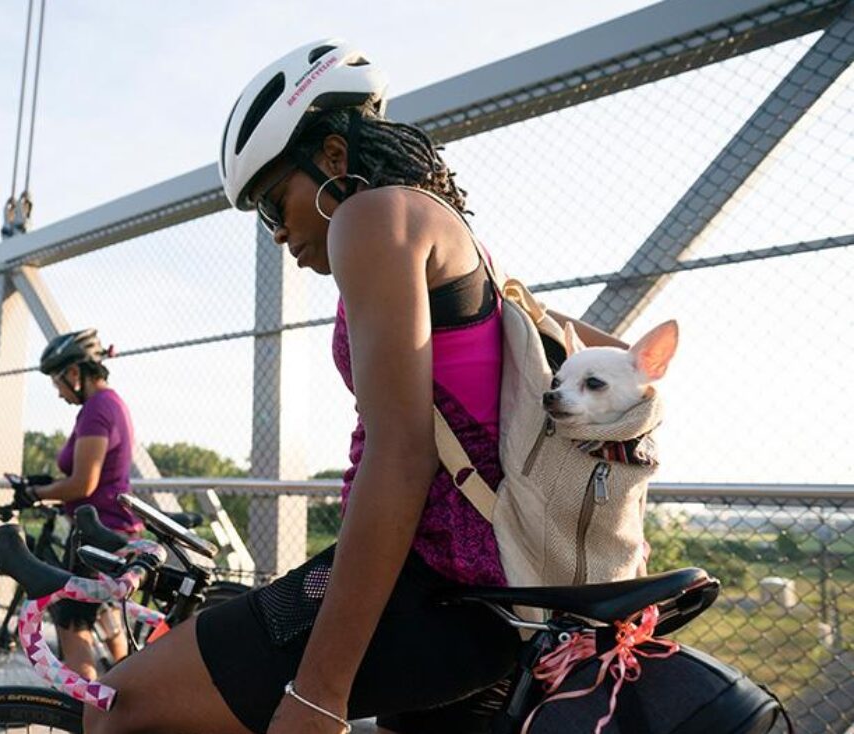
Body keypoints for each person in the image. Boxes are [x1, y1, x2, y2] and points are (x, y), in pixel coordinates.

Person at [82, 40, 626, 734]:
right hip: (493, 598)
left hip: (433, 588)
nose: (276, 233)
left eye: (274, 203)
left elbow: (400, 456)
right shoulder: (455, 239)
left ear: (334, 158)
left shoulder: (370, 218)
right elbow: (620, 358)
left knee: (116, 707)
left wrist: (320, 691)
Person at [13, 328, 144, 680]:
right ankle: (123, 692)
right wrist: (51, 487)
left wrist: (35, 494)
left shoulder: (97, 410)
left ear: (74, 373)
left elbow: (84, 483)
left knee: (73, 627)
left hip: (98, 532)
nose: (58, 392)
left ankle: (89, 708)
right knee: (101, 612)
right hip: (113, 527)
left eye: (57, 382)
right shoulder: (108, 404)